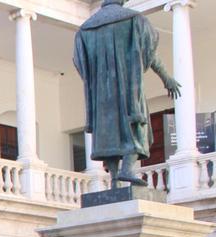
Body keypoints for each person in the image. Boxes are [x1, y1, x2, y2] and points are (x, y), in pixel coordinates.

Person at [73, 0, 181, 187]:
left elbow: (79, 62)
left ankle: (115, 178)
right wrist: (166, 78)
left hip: (101, 94)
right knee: (136, 126)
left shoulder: (85, 30)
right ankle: (127, 169)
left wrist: (99, 79)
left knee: (108, 132)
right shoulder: (134, 20)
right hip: (128, 87)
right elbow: (147, 51)